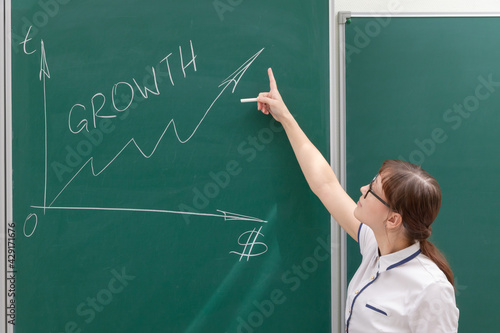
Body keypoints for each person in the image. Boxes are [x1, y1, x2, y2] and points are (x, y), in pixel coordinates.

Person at [256, 68, 459, 332]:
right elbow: (326, 185)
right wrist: (284, 117)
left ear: (393, 219)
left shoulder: (431, 289)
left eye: (372, 190)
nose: (362, 189)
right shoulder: (376, 244)